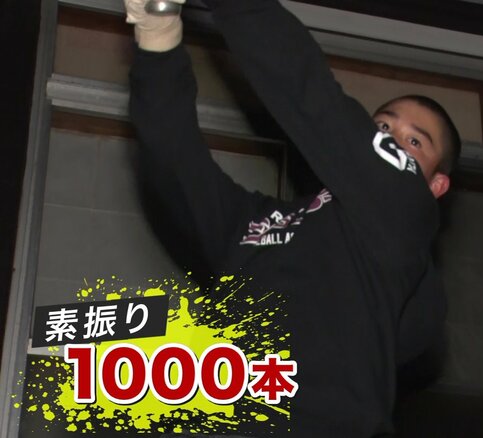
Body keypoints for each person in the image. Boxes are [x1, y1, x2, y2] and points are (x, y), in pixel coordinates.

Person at [125, 0, 461, 436]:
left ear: (436, 186)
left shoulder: (404, 220)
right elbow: (176, 166)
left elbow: (311, 95)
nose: (391, 141)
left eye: (414, 142)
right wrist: (158, 36)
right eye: (381, 127)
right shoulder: (267, 224)